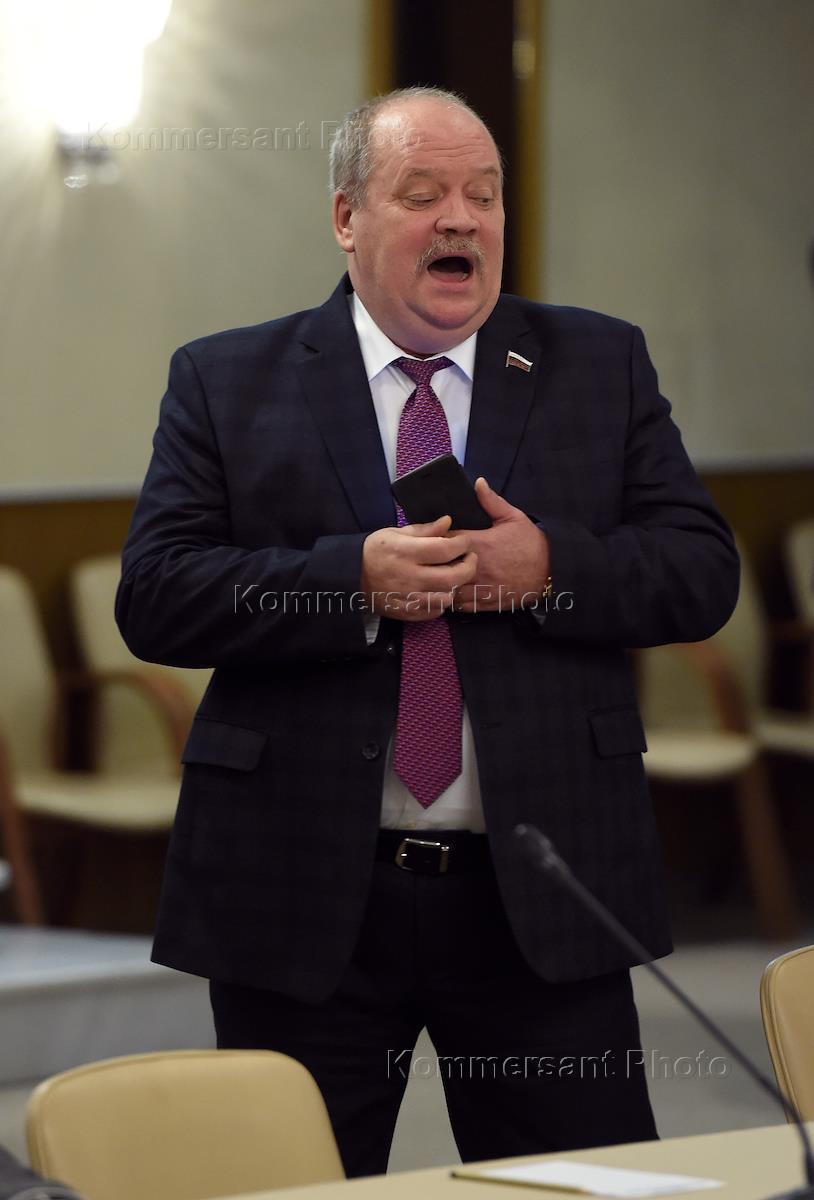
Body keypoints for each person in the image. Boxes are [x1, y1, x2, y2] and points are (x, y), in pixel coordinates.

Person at [115, 86, 739, 1177]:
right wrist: (348, 581)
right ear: (346, 216)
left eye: (484, 195)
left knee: (585, 1185)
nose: (463, 218)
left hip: (542, 886)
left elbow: (700, 573)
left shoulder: (598, 363)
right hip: (303, 886)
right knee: (293, 1189)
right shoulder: (226, 378)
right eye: (423, 194)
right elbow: (158, 594)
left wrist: (549, 569)